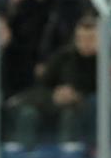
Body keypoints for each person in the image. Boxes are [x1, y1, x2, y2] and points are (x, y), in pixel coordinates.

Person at [8, 15, 98, 146]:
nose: (85, 43)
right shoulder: (63, 57)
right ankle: (25, 155)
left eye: (90, 39)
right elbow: (41, 87)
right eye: (80, 38)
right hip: (55, 105)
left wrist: (77, 97)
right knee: (28, 113)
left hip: (85, 109)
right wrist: (55, 95)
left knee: (70, 114)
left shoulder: (107, 61)